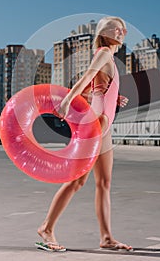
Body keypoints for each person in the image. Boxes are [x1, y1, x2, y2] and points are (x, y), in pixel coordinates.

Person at [36, 16, 133, 252]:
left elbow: (93, 91)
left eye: (124, 29)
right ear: (104, 31)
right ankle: (46, 228)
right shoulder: (102, 53)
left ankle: (106, 237)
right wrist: (67, 101)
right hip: (95, 125)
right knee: (78, 180)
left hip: (105, 125)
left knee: (104, 183)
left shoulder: (109, 57)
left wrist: (113, 96)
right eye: (117, 28)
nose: (122, 32)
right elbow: (84, 79)